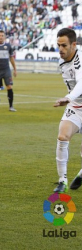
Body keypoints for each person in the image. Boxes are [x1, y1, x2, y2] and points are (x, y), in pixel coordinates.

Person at [52, 28, 82, 193]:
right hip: (76, 107)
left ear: (74, 45)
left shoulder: (80, 59)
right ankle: (62, 180)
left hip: (72, 100)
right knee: (62, 136)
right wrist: (71, 100)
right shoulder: (62, 62)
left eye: (64, 45)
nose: (60, 49)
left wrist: (68, 97)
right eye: (58, 45)